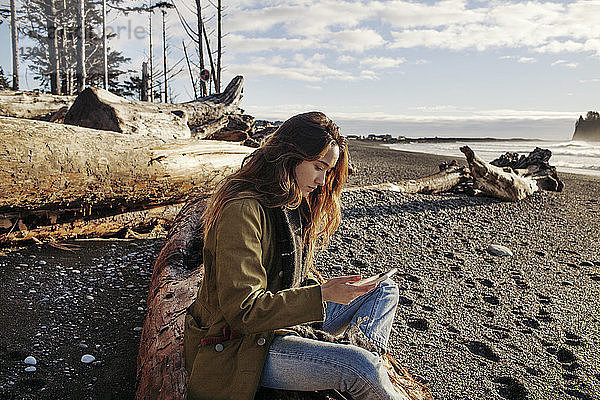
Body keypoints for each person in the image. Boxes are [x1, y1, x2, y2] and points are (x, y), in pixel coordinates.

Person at [183, 112, 405, 400]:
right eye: (318, 167)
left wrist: (330, 289)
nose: (323, 181)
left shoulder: (290, 202)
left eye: (328, 171)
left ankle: (365, 347)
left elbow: (292, 279)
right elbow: (244, 312)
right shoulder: (243, 210)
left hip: (283, 325)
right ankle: (363, 359)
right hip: (241, 346)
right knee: (360, 367)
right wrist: (322, 295)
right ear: (290, 155)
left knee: (383, 289)